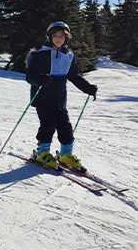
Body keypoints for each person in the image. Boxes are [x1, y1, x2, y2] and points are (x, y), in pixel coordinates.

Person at [25, 21, 98, 170]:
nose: (58, 39)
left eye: (62, 36)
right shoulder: (42, 54)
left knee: (65, 126)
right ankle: (42, 152)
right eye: (55, 36)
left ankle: (65, 154)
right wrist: (39, 79)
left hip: (59, 99)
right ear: (49, 37)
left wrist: (87, 88)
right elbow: (30, 75)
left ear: (67, 38)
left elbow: (74, 76)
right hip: (43, 97)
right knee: (48, 125)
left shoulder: (69, 56)